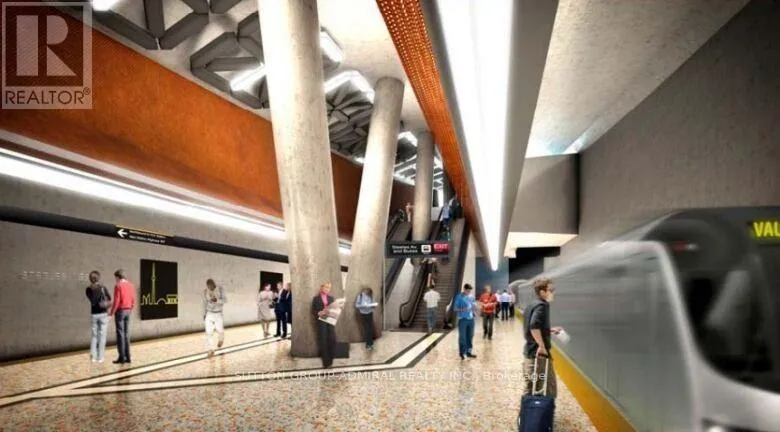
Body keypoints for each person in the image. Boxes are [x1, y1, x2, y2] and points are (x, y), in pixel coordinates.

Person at [522, 277, 562, 398]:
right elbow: (533, 326)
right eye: (551, 290)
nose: (553, 293)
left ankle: (531, 409)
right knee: (546, 388)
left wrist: (548, 330)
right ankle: (537, 409)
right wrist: (542, 346)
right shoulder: (542, 306)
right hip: (538, 354)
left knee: (533, 388)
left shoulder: (532, 304)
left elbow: (534, 326)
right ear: (542, 292)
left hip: (530, 351)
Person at [110, 269, 136, 364]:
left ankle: (121, 358)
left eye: (115, 278)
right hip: (128, 311)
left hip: (120, 311)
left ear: (118, 277)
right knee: (126, 333)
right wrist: (131, 307)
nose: (115, 280)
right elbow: (133, 298)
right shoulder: (131, 285)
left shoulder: (118, 286)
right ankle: (128, 357)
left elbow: (117, 300)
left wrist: (111, 313)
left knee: (120, 334)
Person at [85, 270, 111, 363]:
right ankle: (101, 357)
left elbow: (93, 301)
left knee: (94, 336)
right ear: (98, 278)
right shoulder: (103, 287)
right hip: (103, 314)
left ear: (90, 279)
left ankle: (93, 357)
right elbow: (109, 298)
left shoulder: (88, 289)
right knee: (102, 336)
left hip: (94, 314)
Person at [312, 282, 336, 368]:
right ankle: (326, 362)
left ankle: (330, 359)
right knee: (323, 340)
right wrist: (318, 313)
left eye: (329, 288)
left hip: (330, 319)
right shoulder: (316, 298)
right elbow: (313, 310)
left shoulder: (331, 298)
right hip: (321, 320)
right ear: (322, 287)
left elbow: (335, 309)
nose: (327, 289)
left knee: (332, 339)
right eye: (326, 287)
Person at [203, 278, 227, 357]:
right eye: (208, 286)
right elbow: (204, 303)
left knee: (220, 330)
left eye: (211, 286)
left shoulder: (220, 289)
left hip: (218, 313)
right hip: (209, 313)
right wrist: (204, 314)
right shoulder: (205, 291)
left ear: (214, 284)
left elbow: (225, 300)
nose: (209, 288)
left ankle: (221, 339)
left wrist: (216, 300)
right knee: (209, 332)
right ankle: (211, 349)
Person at [453, 284, 477, 360]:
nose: (469, 292)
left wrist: (474, 311)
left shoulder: (472, 297)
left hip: (471, 320)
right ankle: (462, 353)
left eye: (470, 291)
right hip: (463, 320)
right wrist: (463, 309)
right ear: (464, 289)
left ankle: (468, 352)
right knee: (462, 337)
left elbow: (473, 306)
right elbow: (455, 308)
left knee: (470, 336)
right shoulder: (459, 297)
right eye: (467, 290)